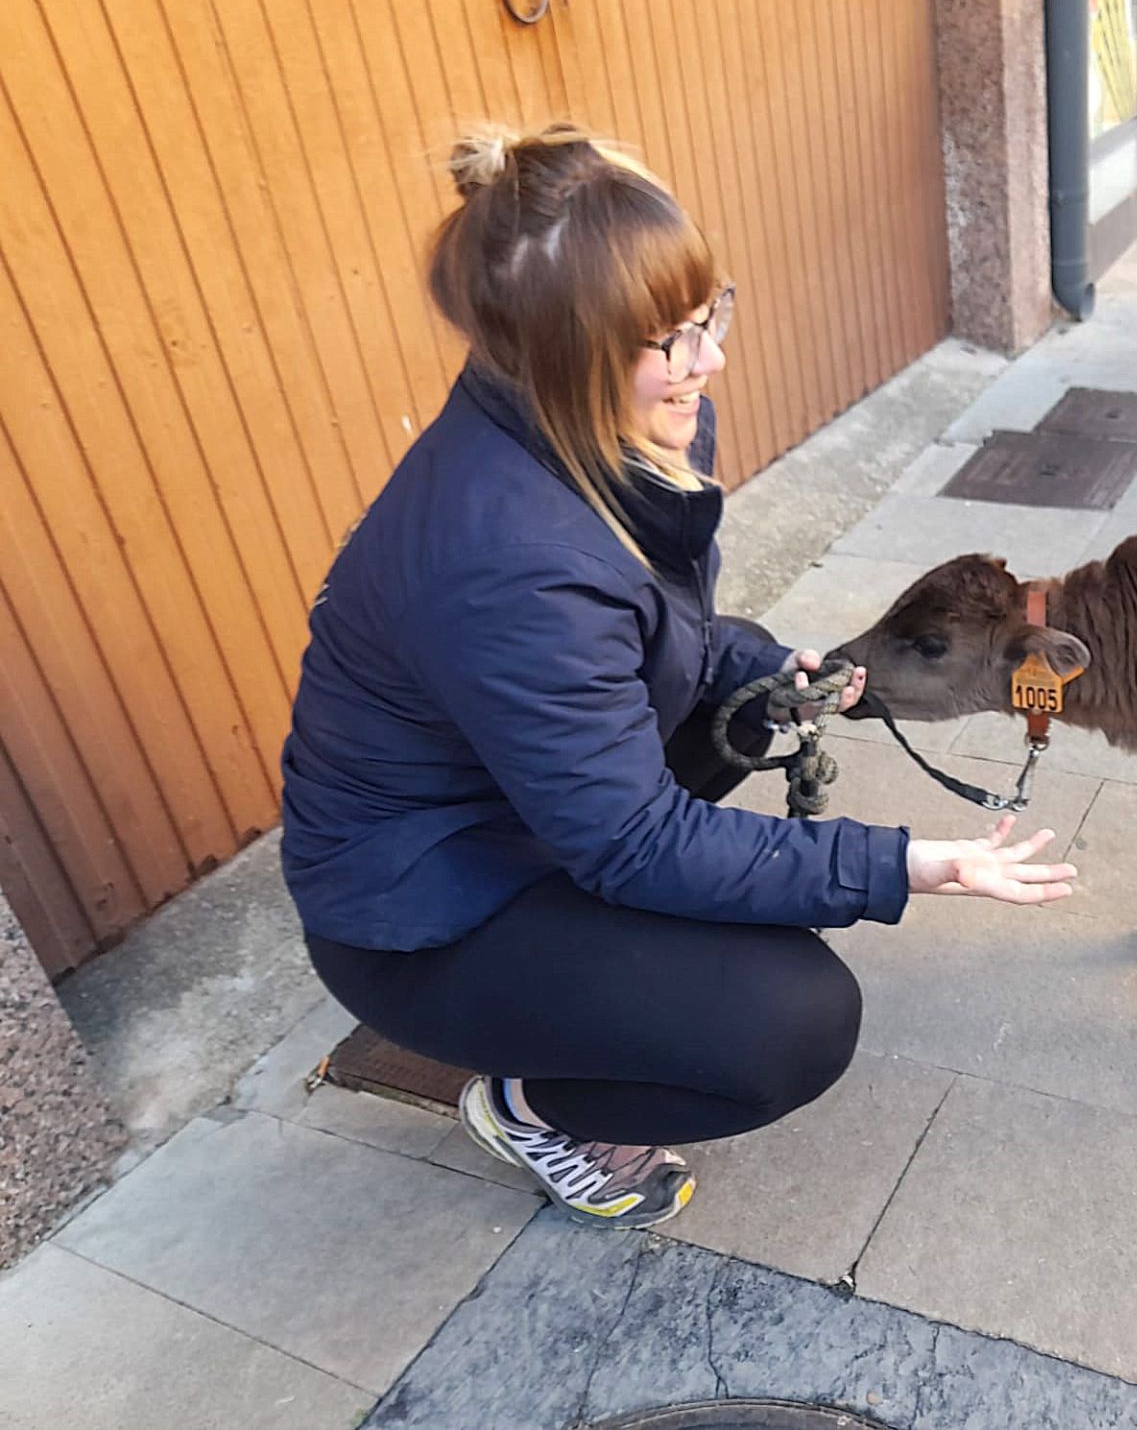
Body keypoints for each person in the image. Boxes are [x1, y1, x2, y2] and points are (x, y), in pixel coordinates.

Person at [280, 124, 1075, 1229]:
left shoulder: (624, 421)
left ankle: (588, 985)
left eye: (709, 315)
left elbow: (646, 635)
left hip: (520, 816)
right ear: (568, 355)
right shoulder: (505, 557)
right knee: (789, 1022)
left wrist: (767, 667)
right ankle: (529, 1105)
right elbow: (633, 841)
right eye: (672, 338)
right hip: (423, 912)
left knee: (734, 726)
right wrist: (905, 866)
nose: (711, 361)